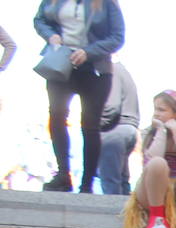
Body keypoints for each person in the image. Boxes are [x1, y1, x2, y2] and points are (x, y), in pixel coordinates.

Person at [32, 0, 126, 193]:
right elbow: (40, 20)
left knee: (90, 126)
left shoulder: (107, 3)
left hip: (95, 70)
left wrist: (89, 52)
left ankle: (87, 183)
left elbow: (117, 37)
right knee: (57, 116)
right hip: (61, 63)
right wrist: (52, 36)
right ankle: (63, 175)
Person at [126, 90, 176, 228]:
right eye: (155, 109)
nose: (156, 113)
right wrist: (161, 131)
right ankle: (157, 218)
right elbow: (153, 159)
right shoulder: (147, 133)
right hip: (151, 193)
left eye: (161, 110)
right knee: (158, 163)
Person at [96, 59, 137, 196]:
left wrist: (95, 123)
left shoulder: (111, 70)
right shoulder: (123, 71)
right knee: (122, 180)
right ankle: (126, 216)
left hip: (114, 130)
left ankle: (113, 216)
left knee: (110, 183)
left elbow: (111, 105)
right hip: (128, 128)